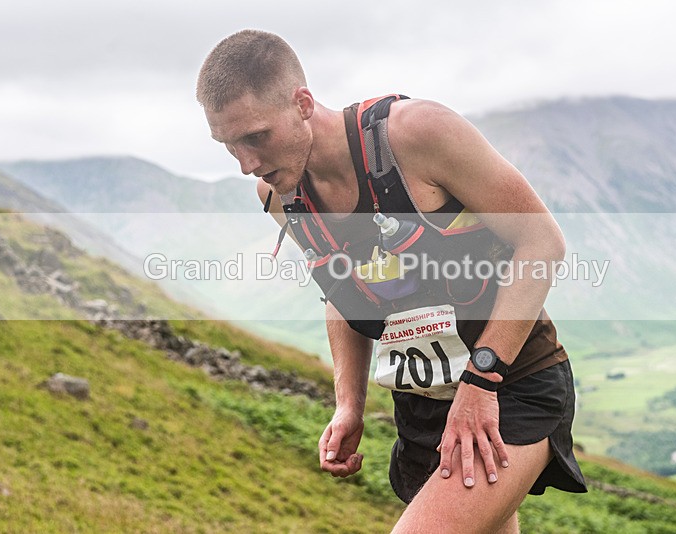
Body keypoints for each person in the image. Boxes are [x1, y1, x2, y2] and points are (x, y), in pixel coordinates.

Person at [197, 29, 586, 533]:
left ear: (302, 103)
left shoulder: (416, 134)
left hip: (508, 387)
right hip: (425, 409)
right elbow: (342, 291)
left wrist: (481, 380)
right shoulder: (282, 195)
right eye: (227, 145)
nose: (247, 163)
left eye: (256, 137)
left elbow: (542, 244)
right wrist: (348, 405)